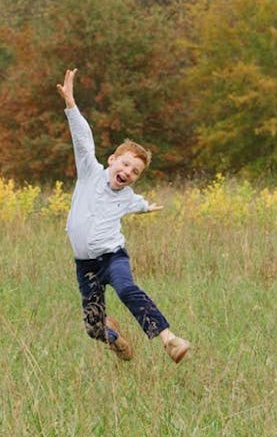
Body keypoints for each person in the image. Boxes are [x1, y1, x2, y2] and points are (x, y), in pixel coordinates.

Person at [56, 68, 191, 364]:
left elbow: (136, 204)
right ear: (113, 160)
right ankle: (114, 340)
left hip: (113, 257)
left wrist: (146, 207)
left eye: (135, 172)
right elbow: (83, 140)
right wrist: (71, 105)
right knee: (93, 325)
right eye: (126, 165)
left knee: (127, 288)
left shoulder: (128, 196)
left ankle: (170, 340)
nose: (128, 173)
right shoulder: (90, 173)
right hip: (85, 264)